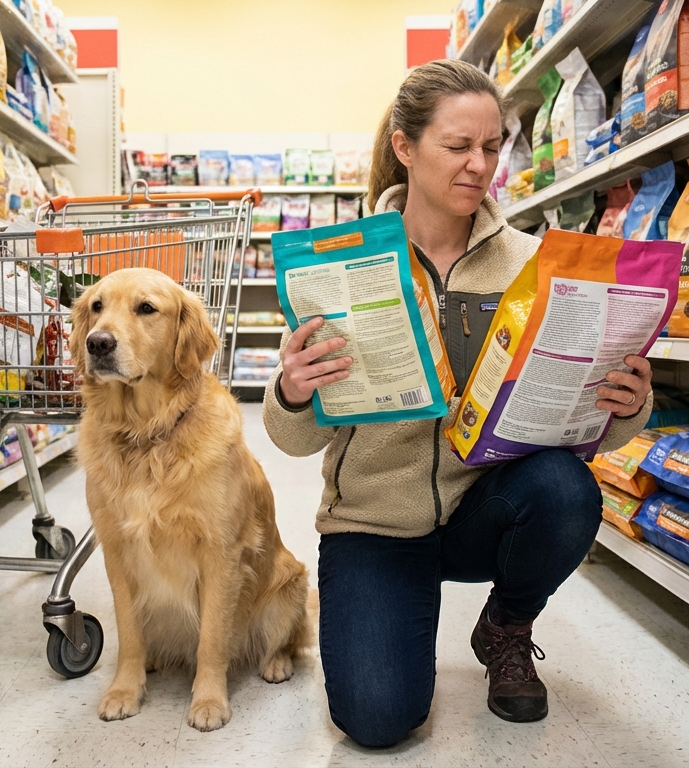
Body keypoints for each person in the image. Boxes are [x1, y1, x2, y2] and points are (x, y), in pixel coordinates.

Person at [263, 60, 655, 749]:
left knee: (567, 490)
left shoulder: (537, 264)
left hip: (486, 506)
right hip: (375, 523)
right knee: (377, 721)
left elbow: (599, 429)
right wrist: (294, 389)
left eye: (492, 146)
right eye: (457, 147)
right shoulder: (338, 263)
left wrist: (625, 404)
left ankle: (506, 624)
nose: (480, 166)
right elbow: (292, 442)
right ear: (405, 147)